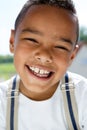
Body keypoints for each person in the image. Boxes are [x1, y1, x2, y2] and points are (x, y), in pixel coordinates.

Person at [0, 0, 87, 130]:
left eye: (60, 47)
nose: (45, 56)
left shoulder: (82, 95)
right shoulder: (2, 101)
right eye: (32, 40)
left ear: (72, 56)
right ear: (12, 42)